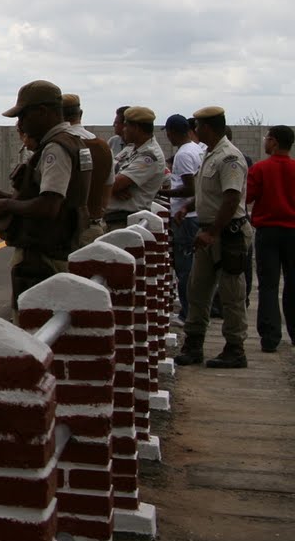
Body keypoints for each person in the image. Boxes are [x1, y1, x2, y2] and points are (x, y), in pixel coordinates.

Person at [0, 81, 92, 312]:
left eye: (23, 115)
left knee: (33, 327)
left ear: (42, 112)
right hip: (61, 247)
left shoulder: (55, 149)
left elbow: (49, 206)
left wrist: (5, 204)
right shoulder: (73, 142)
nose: (20, 123)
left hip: (45, 256)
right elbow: (51, 198)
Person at [177, 105, 250, 368]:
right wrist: (188, 207)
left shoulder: (229, 157)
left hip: (226, 233)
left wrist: (213, 232)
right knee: (197, 289)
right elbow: (209, 194)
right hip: (208, 230)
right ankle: (194, 345)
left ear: (207, 127)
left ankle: (235, 348)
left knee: (231, 293)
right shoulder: (211, 154)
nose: (194, 130)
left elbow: (231, 198)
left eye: (197, 125)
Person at [246, 125, 295, 353]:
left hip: (267, 232)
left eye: (267, 139)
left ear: (273, 142)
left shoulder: (261, 169)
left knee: (268, 285)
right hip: (293, 232)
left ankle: (270, 336)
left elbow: (248, 196)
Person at [160, 113, 206, 320]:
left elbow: (190, 188)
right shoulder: (197, 149)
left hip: (185, 217)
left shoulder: (183, 155)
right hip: (193, 214)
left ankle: (187, 313)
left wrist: (163, 193)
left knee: (184, 268)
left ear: (171, 132)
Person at [62, 92, 112, 247]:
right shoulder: (102, 146)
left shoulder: (59, 145)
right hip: (94, 226)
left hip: (64, 231)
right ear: (80, 114)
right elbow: (108, 186)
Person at [106, 106, 167, 229]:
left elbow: (116, 183)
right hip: (114, 218)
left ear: (137, 128)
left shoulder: (150, 156)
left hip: (126, 220)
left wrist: (114, 186)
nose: (124, 130)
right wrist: (112, 187)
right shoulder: (130, 148)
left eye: (126, 126)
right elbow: (107, 170)